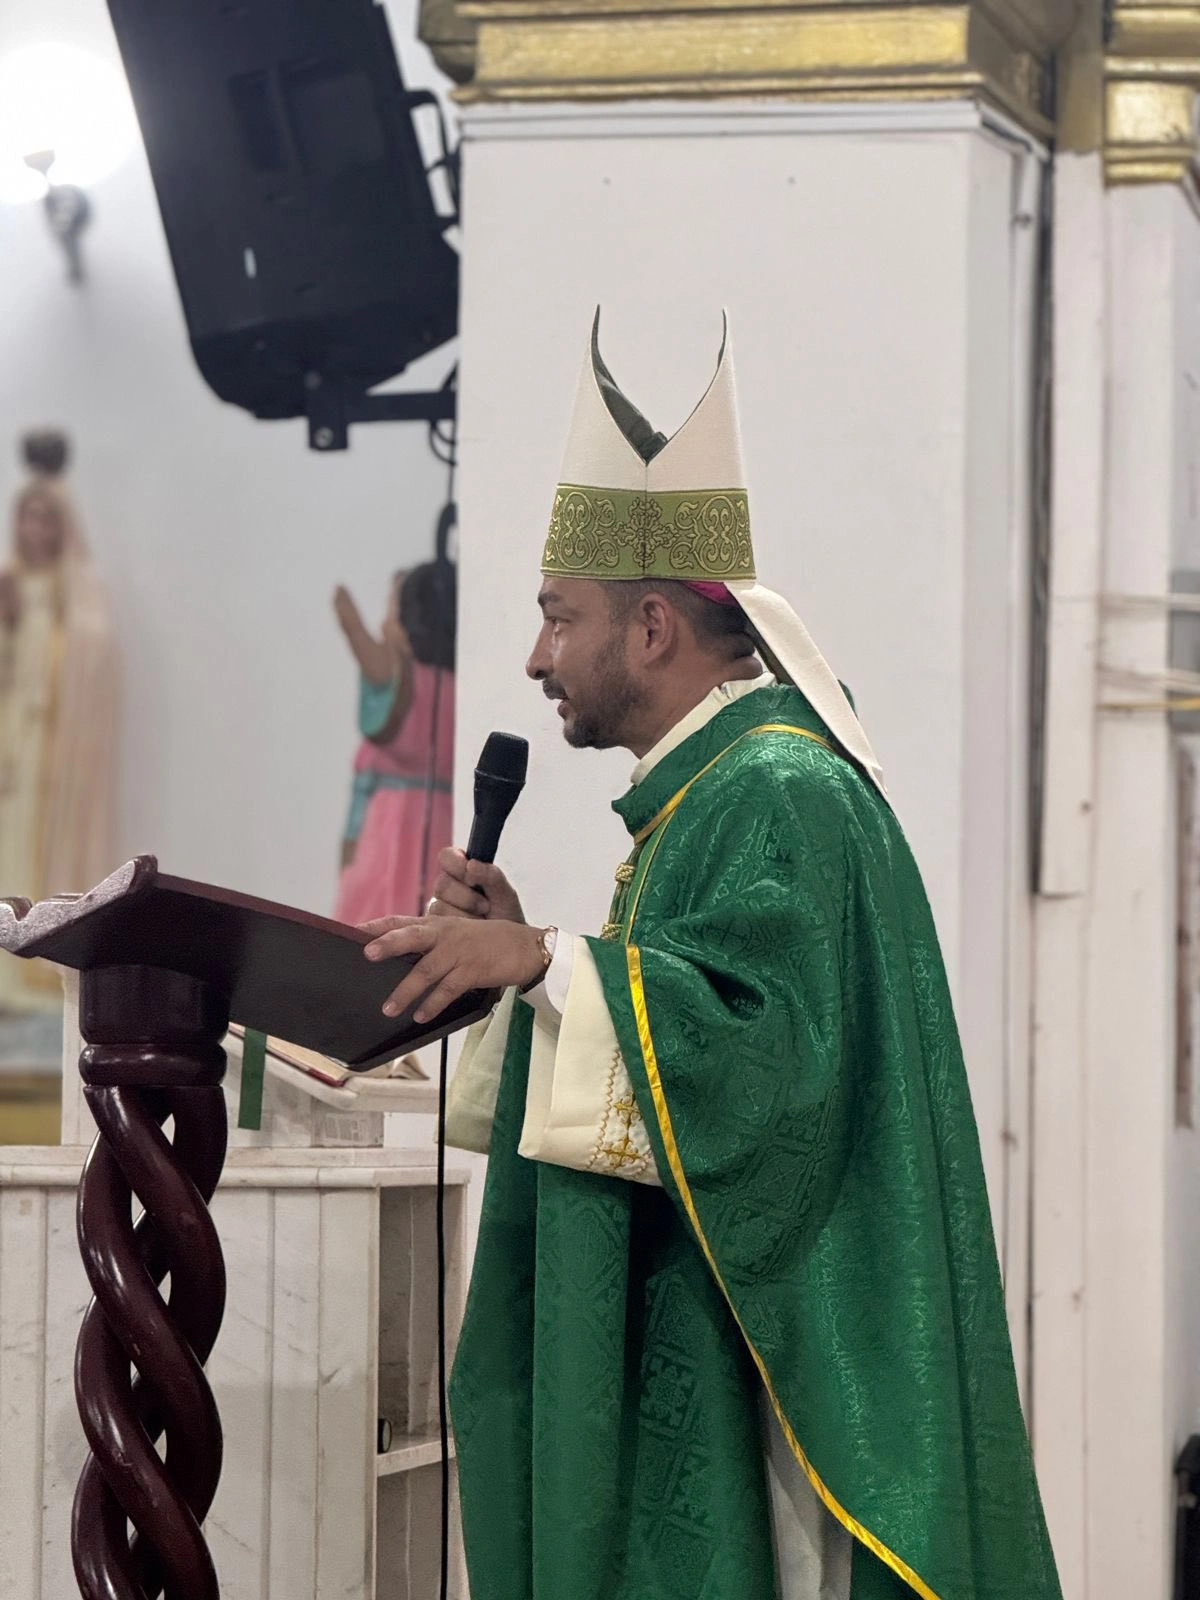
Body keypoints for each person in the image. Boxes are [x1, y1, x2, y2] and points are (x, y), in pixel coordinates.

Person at [361, 315, 1062, 1600]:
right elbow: (701, 1024)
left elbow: (771, 1078)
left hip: (786, 1382)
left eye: (556, 618)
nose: (534, 658)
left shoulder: (779, 789)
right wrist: (534, 968)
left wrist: (548, 964)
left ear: (649, 629)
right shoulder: (714, 797)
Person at [0, 430, 117, 1013]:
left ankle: (30, 964)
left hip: (54, 741)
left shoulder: (78, 587)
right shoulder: (9, 581)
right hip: (12, 734)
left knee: (37, 845)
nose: (35, 530)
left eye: (47, 519)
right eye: (28, 517)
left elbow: (94, 650)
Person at [333, 555, 456, 925]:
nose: (384, 625)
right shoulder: (453, 685)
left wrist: (346, 611)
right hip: (440, 821)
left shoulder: (403, 676)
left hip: (396, 826)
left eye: (392, 610)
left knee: (383, 914)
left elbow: (359, 638)